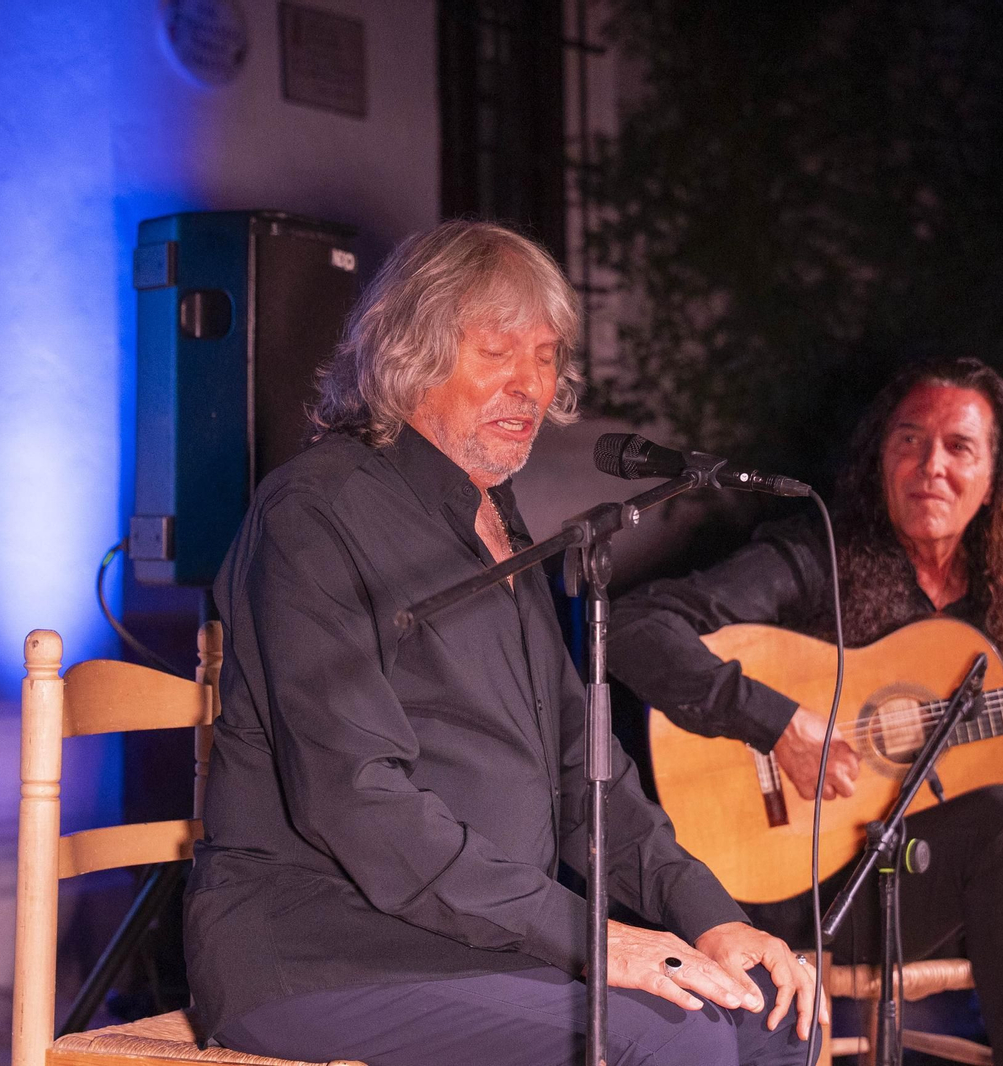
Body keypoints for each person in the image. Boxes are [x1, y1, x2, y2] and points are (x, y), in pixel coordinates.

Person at [184, 221, 819, 1066]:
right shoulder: (314, 515)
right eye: (497, 351)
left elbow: (581, 771)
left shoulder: (503, 524)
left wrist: (713, 916)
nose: (532, 384)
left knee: (772, 1018)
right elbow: (359, 801)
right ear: (409, 354)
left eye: (548, 355)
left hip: (477, 939)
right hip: (322, 951)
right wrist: (596, 938)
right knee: (677, 1045)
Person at [608, 358, 1003, 1066]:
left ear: (995, 477)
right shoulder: (819, 556)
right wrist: (775, 721)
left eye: (959, 447)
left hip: (967, 879)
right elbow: (636, 626)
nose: (931, 465)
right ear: (881, 457)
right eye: (910, 440)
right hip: (812, 880)